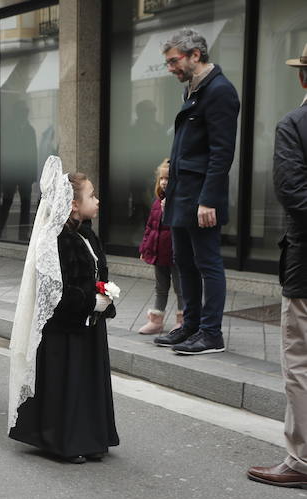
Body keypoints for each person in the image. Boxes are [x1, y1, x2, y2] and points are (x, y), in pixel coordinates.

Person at [8, 157, 119, 464]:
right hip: (65, 330)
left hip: (88, 325)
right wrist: (88, 301)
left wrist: (105, 296)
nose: (97, 200)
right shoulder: (56, 240)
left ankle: (91, 436)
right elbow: (55, 292)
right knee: (68, 382)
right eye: (92, 196)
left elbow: (97, 273)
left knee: (87, 381)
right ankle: (62, 440)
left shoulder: (87, 233)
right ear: (73, 205)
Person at [154, 28, 240, 355]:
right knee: (183, 262)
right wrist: (168, 197)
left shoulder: (219, 91)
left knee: (207, 263)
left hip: (201, 197)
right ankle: (189, 326)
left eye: (174, 61)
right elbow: (183, 151)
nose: (170, 68)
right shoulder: (193, 89)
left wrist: (208, 200)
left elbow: (222, 153)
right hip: (181, 193)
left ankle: (211, 334)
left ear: (195, 55)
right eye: (168, 62)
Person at [247, 44, 307, 489]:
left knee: (301, 361)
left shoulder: (295, 124)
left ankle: (301, 460)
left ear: (303, 78)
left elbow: (292, 192)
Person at [138, 158, 183, 334]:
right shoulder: (157, 202)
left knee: (180, 288)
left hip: (175, 254)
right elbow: (150, 227)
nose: (164, 182)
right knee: (160, 288)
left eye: (168, 179)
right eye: (162, 178)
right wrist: (145, 249)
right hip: (158, 254)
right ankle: (157, 321)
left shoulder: (179, 202)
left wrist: (170, 210)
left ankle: (183, 320)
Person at [0, 103, 37, 240]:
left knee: (26, 202)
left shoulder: (30, 130)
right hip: (11, 172)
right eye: (21, 113)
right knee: (7, 201)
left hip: (25, 173)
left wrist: (33, 175)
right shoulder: (9, 129)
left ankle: (23, 234)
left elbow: (34, 153)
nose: (24, 116)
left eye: (25, 113)